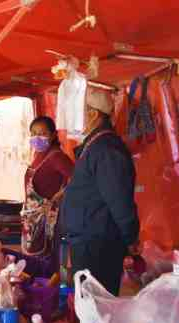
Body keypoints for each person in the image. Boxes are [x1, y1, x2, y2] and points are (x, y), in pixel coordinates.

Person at [61, 89, 140, 295]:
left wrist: (131, 239)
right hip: (88, 241)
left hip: (98, 245)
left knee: (97, 310)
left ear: (94, 114)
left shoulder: (106, 149)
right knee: (88, 306)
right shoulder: (94, 145)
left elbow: (120, 201)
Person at [21, 116, 74, 259]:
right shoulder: (38, 155)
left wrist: (60, 195)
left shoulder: (56, 156)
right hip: (33, 217)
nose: (37, 138)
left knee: (47, 260)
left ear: (53, 135)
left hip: (49, 221)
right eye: (33, 133)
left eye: (42, 133)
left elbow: (79, 180)